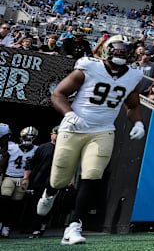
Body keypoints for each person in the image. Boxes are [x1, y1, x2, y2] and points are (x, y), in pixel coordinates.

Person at [35, 35, 145, 245]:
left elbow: (132, 106)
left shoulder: (133, 76)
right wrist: (69, 114)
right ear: (107, 50)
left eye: (125, 49)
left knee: (92, 175)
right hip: (74, 128)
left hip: (103, 130)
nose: (122, 53)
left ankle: (74, 226)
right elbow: (58, 94)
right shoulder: (89, 67)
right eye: (118, 49)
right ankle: (50, 192)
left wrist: (138, 123)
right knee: (60, 178)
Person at [0, 126, 38, 238]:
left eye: (31, 137)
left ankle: (7, 226)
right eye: (26, 136)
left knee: (15, 205)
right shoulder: (11, 146)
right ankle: (1, 223)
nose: (28, 139)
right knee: (3, 201)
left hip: (22, 179)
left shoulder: (36, 149)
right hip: (9, 176)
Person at [25, 126, 58, 238]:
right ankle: (35, 229)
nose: (58, 136)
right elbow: (31, 163)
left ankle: (43, 226)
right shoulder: (43, 147)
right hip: (39, 180)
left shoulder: (64, 149)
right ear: (51, 134)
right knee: (36, 205)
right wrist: (26, 178)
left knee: (49, 204)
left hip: (54, 181)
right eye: (56, 133)